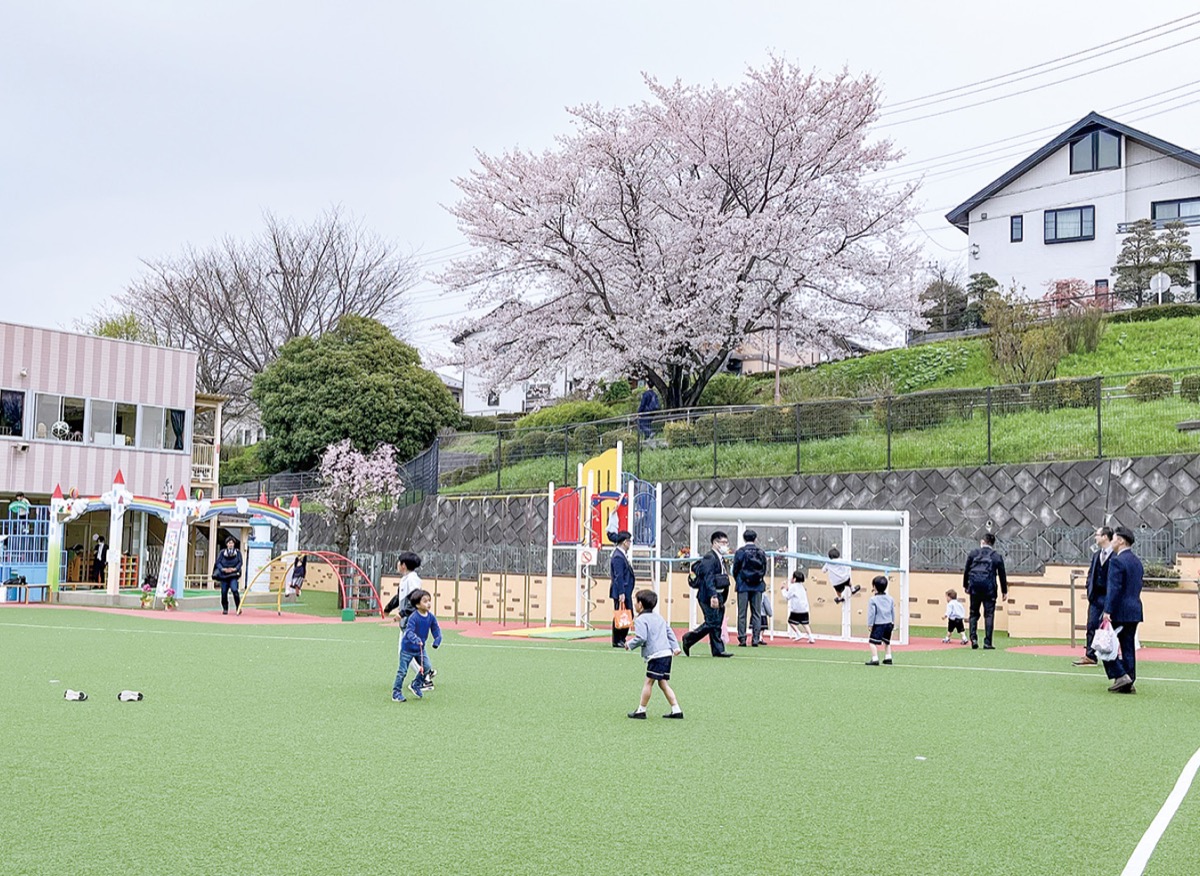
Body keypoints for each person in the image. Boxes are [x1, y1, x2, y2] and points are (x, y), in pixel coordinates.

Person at [623, 589, 683, 719]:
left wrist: (629, 644)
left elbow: (641, 637)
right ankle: (676, 709)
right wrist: (675, 647)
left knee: (648, 682)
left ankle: (641, 710)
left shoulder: (640, 620)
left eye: (635, 601)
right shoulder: (659, 617)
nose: (634, 604)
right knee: (663, 683)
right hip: (667, 654)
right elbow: (669, 632)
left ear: (641, 604)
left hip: (656, 656)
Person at [1101, 526, 1144, 694]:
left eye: (1113, 539)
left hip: (1119, 611)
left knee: (1103, 644)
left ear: (1120, 541)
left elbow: (1114, 588)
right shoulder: (1137, 561)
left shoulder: (1117, 561)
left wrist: (1107, 610)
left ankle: (1120, 675)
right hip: (1134, 609)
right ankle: (1129, 680)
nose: (1111, 542)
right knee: (1128, 646)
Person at [680, 531, 733, 658]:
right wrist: (713, 596)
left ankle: (718, 649)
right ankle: (689, 638)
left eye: (726, 543)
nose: (725, 545)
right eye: (723, 542)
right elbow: (708, 578)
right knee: (712, 622)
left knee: (717, 623)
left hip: (719, 594)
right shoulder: (710, 558)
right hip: (708, 595)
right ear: (715, 543)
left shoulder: (720, 558)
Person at [392, 588, 442, 702]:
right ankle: (396, 692)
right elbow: (409, 631)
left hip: (420, 649)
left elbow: (436, 629)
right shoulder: (413, 617)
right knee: (402, 672)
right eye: (425, 601)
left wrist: (437, 639)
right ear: (417, 605)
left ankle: (416, 684)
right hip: (407, 649)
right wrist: (415, 639)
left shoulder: (431, 617)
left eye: (429, 600)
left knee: (427, 667)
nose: (428, 603)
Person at [1074, 526, 1113, 666]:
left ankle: (1114, 656)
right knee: (1091, 625)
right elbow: (1091, 573)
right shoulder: (1096, 555)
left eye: (1097, 534)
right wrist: (1089, 588)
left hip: (1110, 597)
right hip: (1096, 596)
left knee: (1112, 627)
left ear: (1105, 537)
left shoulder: (1116, 555)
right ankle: (1090, 655)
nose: (1095, 537)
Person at [962, 533, 1008, 650]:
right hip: (989, 589)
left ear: (983, 542)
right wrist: (1004, 591)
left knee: (973, 613)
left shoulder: (973, 554)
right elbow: (1002, 575)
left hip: (975, 588)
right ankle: (988, 642)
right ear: (992, 544)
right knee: (989, 615)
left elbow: (966, 570)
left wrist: (966, 585)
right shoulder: (996, 556)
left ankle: (973, 639)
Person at [733, 529, 769, 646]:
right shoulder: (761, 552)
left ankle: (742, 638)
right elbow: (764, 569)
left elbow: (735, 569)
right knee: (757, 613)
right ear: (755, 538)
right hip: (757, 586)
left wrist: (739, 580)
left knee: (742, 614)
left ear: (744, 538)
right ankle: (755, 639)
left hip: (743, 585)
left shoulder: (740, 552)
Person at [608, 530, 636, 648]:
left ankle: (621, 638)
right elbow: (618, 576)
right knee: (621, 614)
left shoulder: (621, 555)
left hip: (624, 590)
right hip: (621, 590)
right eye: (629, 541)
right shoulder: (618, 557)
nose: (630, 544)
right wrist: (621, 592)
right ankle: (617, 639)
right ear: (625, 542)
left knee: (626, 614)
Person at [383, 552, 422, 622]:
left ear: (403, 565)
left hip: (412, 622)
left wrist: (402, 614)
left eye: (399, 562)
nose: (397, 564)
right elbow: (399, 597)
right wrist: (388, 609)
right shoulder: (404, 579)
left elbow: (415, 599)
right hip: (406, 621)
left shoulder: (412, 579)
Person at [865, 576, 895, 666]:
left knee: (872, 642)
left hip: (879, 624)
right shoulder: (890, 598)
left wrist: (870, 624)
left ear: (874, 587)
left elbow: (872, 613)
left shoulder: (873, 600)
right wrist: (893, 622)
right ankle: (888, 657)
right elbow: (892, 611)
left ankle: (875, 658)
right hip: (889, 623)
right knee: (887, 641)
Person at [211, 536, 243, 615]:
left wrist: (235, 569)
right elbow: (218, 562)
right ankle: (225, 608)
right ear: (227, 544)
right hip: (224, 576)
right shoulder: (222, 552)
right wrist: (223, 569)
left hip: (233, 575)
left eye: (232, 543)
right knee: (224, 592)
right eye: (229, 543)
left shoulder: (238, 552)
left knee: (235, 590)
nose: (231, 544)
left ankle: (238, 607)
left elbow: (240, 562)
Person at [782, 569, 815, 643]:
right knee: (805, 623)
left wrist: (783, 590)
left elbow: (787, 596)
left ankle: (798, 633)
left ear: (795, 579)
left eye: (792, 577)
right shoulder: (802, 586)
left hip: (796, 609)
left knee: (791, 621)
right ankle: (811, 637)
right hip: (804, 608)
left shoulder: (793, 586)